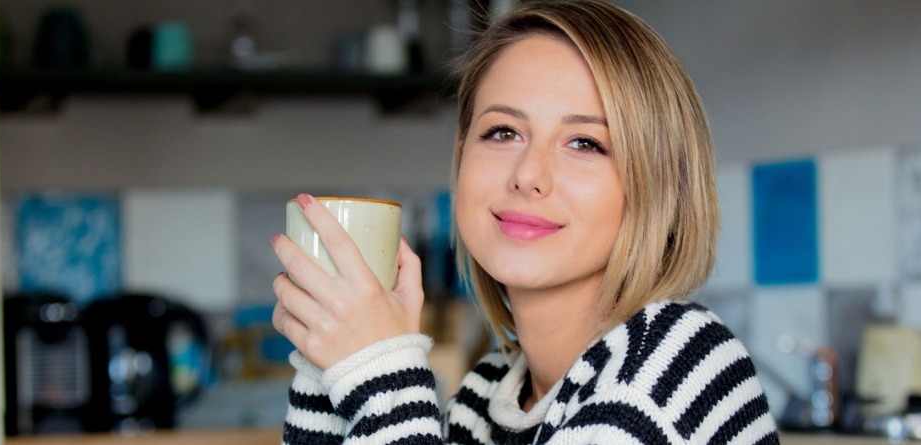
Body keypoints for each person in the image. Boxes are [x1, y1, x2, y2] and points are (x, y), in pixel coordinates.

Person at [270, 0, 780, 443]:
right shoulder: (486, 399)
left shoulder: (678, 364)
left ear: (657, 185)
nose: (528, 175)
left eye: (585, 143)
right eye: (502, 133)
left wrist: (379, 372)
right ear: (462, 154)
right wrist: (328, 362)